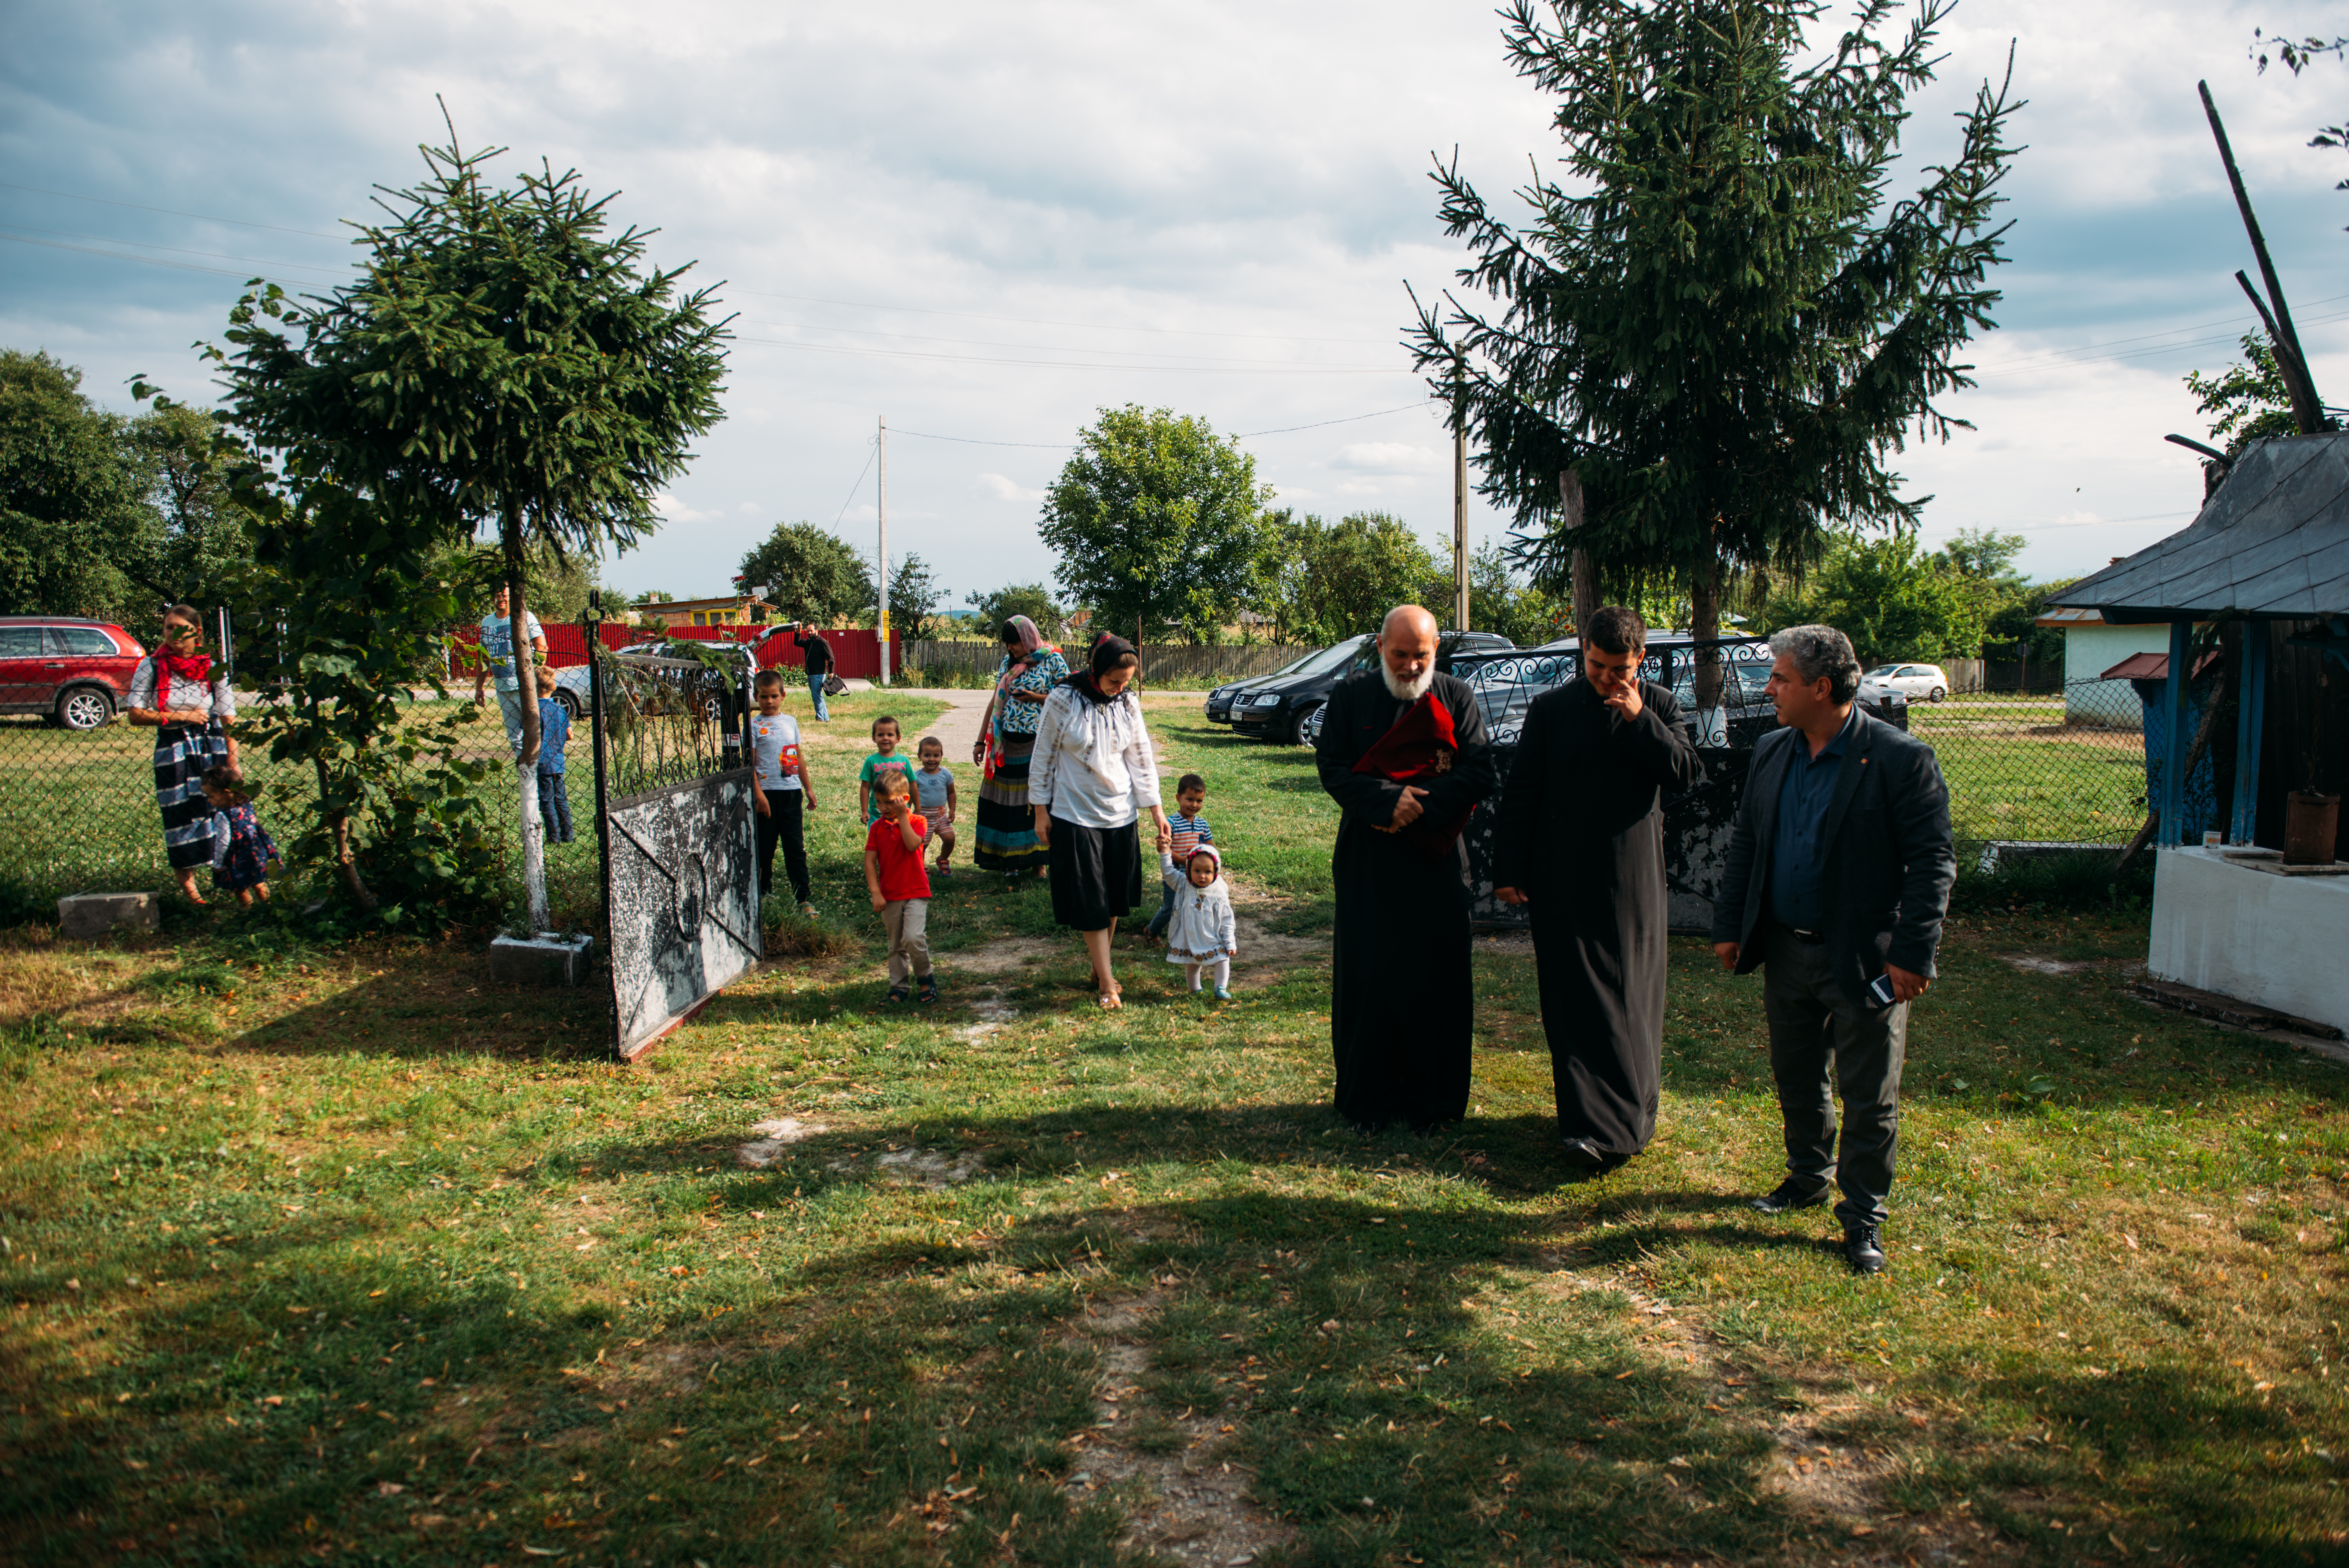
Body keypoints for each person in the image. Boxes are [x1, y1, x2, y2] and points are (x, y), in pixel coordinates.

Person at [1710, 624, 1956, 1276]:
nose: (1770, 690)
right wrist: (1731, 925)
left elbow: (1933, 863)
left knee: (1868, 1094)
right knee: (1796, 1076)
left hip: (1864, 959)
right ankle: (1806, 1177)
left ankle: (1862, 1218)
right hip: (1786, 951)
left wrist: (1913, 952)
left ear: (1820, 688)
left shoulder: (1901, 760)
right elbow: (1747, 844)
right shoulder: (1770, 751)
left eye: (1779, 679)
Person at [1492, 606, 1703, 1170]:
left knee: (1631, 996)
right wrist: (1509, 869)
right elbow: (1523, 792)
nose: (1607, 678)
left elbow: (1684, 773)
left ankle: (1633, 1116)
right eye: (1596, 665)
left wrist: (1640, 719)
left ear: (1640, 661)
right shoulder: (1551, 709)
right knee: (1572, 997)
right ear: (1583, 653)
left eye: (1619, 669)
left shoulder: (1658, 704)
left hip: (1633, 877)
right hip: (1561, 872)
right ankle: (1586, 1127)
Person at [1314, 604, 1499, 1130]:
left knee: (1435, 981)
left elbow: (1480, 772)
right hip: (1368, 864)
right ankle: (1367, 1102)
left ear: (1436, 649)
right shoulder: (1352, 696)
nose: (1411, 667)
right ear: (1380, 648)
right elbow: (1332, 768)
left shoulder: (1456, 697)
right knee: (1369, 979)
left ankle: (1433, 1105)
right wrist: (1384, 800)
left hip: (1435, 864)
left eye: (1421, 656)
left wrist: (1418, 805)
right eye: (1400, 655)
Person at [1029, 634, 1171, 1009]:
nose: (1120, 688)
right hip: (1075, 812)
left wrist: (1156, 810)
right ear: (1097, 670)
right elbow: (1042, 756)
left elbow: (1141, 756)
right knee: (1091, 897)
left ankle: (1099, 964)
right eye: (1114, 681)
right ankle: (1107, 983)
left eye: (1126, 682)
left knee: (1112, 898)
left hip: (1120, 812)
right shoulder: (1064, 698)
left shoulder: (1128, 702)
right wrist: (1040, 810)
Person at [126, 604, 238, 903]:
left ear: (197, 632)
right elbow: (135, 715)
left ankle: (234, 886)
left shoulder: (214, 667)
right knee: (179, 815)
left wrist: (234, 762)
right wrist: (180, 718)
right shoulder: (150, 667)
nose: (173, 633)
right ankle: (194, 898)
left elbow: (229, 718)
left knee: (220, 812)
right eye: (167, 628)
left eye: (180, 627)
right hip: (173, 747)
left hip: (211, 745)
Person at [970, 617, 1069, 884]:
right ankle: (1010, 860)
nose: (1010, 648)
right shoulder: (1009, 663)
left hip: (1040, 746)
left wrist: (1034, 697)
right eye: (1008, 644)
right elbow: (995, 701)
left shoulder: (1053, 660)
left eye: (1014, 643)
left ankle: (1039, 864)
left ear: (1027, 639)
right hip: (1006, 746)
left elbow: (1070, 699)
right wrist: (981, 742)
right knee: (1007, 806)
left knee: (1036, 804)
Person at [864, 771, 936, 1004]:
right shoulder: (877, 828)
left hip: (916, 892)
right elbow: (869, 861)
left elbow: (913, 844)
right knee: (896, 945)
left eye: (888, 802)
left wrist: (903, 816)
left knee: (914, 938)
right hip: (890, 895)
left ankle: (925, 978)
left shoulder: (918, 821)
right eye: (878, 802)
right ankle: (899, 987)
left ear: (904, 799)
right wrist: (876, 893)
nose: (882, 807)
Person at [752, 669, 820, 915]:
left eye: (773, 696)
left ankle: (803, 899)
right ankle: (764, 894)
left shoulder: (790, 722)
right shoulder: (754, 726)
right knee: (765, 848)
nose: (769, 702)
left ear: (783, 695)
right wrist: (759, 796)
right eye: (763, 697)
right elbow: (750, 765)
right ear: (756, 697)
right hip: (767, 797)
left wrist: (808, 788)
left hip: (792, 794)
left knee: (795, 848)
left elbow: (797, 757)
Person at [472, 584, 546, 756]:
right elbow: (483, 658)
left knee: (538, 731)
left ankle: (544, 771)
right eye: (497, 595)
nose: (501, 599)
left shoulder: (525, 617)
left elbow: (542, 646)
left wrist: (535, 674)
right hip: (502, 687)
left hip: (525, 686)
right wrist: (479, 688)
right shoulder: (487, 622)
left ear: (512, 597)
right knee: (515, 738)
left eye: (504, 595)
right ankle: (526, 773)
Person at [1158, 842, 1237, 999]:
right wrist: (1165, 852)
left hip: (1212, 936)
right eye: (1197, 871)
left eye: (1208, 871)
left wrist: (1230, 942)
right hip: (1189, 935)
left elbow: (1227, 919)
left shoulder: (1218, 892)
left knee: (1222, 959)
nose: (1202, 876)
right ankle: (1195, 990)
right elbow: (1168, 873)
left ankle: (1220, 988)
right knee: (1192, 963)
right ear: (1188, 869)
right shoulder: (1183, 884)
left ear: (1216, 871)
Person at [1143, 773, 1212, 945]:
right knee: (1170, 909)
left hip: (1194, 878)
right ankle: (1152, 931)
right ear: (1178, 798)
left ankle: (1189, 938)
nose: (1194, 805)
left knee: (1191, 908)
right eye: (1190, 800)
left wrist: (1209, 859)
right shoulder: (1171, 823)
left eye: (1199, 801)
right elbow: (1163, 849)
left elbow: (1210, 846)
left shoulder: (1202, 825)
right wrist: (1182, 860)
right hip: (1174, 877)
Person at [200, 765, 278, 906]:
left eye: (211, 796)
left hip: (236, 857)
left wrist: (218, 863)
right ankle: (268, 906)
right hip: (255, 851)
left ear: (225, 793)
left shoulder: (222, 815)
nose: (208, 801)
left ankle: (247, 911)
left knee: (240, 886)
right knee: (258, 881)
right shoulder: (248, 805)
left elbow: (223, 842)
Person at [533, 656, 573, 845]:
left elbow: (528, 734)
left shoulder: (534, 711)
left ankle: (553, 838)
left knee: (547, 801)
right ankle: (569, 836)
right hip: (558, 760)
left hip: (542, 761)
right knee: (561, 800)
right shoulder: (560, 709)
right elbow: (570, 735)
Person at [912, 736, 957, 874]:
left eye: (936, 756)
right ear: (920, 757)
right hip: (923, 817)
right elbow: (911, 796)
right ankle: (921, 866)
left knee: (950, 839)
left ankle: (943, 860)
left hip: (941, 815)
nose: (932, 759)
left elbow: (951, 793)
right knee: (922, 845)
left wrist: (952, 810)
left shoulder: (945, 774)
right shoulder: (917, 777)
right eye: (927, 756)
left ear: (941, 756)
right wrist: (908, 811)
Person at [858, 715, 911, 824]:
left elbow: (912, 784)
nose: (885, 738)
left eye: (890, 735)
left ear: (898, 738)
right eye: (881, 735)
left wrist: (911, 806)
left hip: (900, 813)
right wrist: (864, 811)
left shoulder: (904, 761)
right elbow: (865, 787)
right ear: (874, 738)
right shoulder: (871, 761)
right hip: (877, 813)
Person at [792, 620, 835, 721]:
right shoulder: (809, 643)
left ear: (816, 630)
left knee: (816, 697)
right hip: (810, 674)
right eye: (808, 631)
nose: (809, 633)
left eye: (811, 631)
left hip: (818, 674)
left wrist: (831, 672)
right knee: (818, 697)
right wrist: (799, 630)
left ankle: (820, 718)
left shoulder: (822, 642)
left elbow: (831, 658)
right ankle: (826, 719)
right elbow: (797, 642)